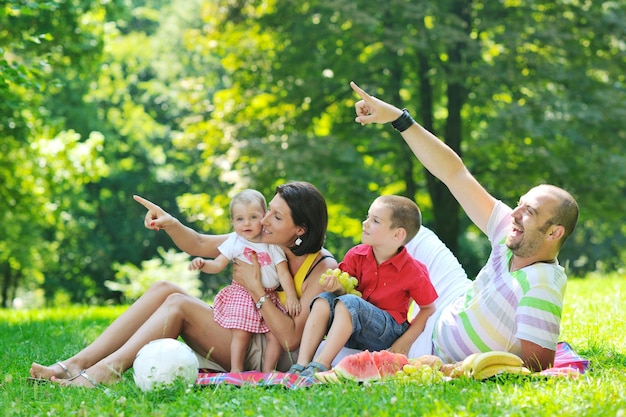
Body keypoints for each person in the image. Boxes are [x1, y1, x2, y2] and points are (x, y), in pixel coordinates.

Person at [349, 81, 579, 371]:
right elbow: (455, 173)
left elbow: (536, 365)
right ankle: (351, 287)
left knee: (335, 354)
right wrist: (398, 118)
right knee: (411, 235)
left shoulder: (541, 284)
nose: (516, 213)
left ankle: (335, 322)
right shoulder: (512, 232)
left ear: (554, 232)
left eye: (529, 211)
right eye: (520, 203)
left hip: (434, 347)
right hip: (452, 299)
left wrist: (452, 368)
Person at [29, 181, 337, 387]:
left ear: (300, 229)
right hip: (245, 328)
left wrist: (256, 289)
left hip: (268, 352)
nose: (265, 220)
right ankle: (75, 364)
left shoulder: (321, 267)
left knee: (179, 305)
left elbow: (290, 339)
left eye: (276, 217)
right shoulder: (269, 240)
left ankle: (102, 373)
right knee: (165, 288)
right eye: (268, 210)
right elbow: (202, 243)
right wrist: (171, 223)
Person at [289, 195, 437, 377]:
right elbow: (346, 293)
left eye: (375, 220)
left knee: (350, 303)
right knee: (324, 300)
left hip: (387, 331)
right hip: (354, 328)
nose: (365, 223)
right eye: (368, 217)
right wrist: (337, 288)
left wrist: (405, 341)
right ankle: (301, 364)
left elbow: (428, 308)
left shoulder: (413, 270)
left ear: (397, 234)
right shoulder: (356, 255)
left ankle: (321, 365)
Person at [188, 189, 301, 372]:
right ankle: (236, 370)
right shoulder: (235, 241)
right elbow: (218, 264)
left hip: (268, 296)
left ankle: (268, 372)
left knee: (275, 336)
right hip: (243, 294)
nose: (246, 223)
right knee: (241, 333)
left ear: (264, 217)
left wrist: (291, 296)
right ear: (232, 222)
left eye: (253, 217)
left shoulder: (271, 243)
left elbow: (283, 274)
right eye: (240, 219)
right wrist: (203, 264)